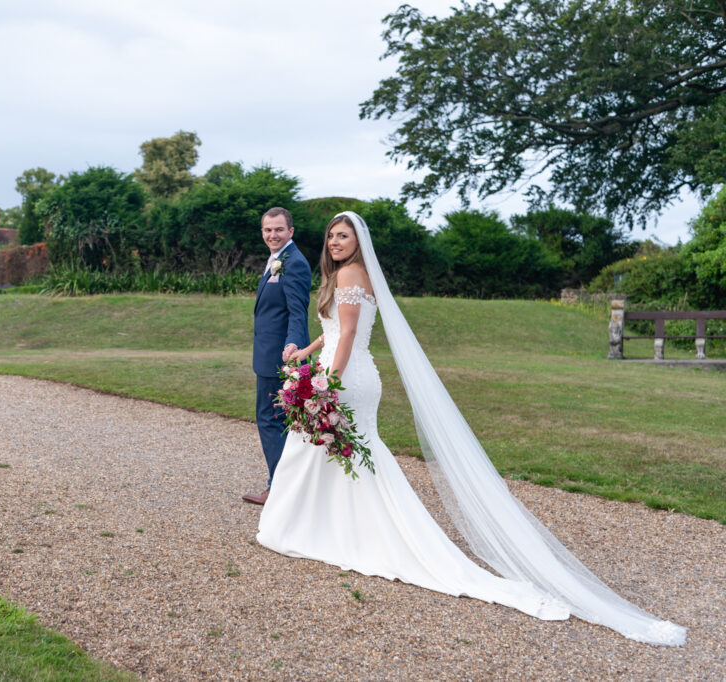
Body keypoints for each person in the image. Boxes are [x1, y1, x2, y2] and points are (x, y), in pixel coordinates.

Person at [256, 211, 686, 646]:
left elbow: (346, 337)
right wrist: (307, 353)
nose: (334, 242)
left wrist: (329, 382)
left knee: (325, 448)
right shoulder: (353, 274)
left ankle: (323, 528)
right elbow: (332, 333)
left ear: (357, 242)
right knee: (340, 452)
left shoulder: (350, 274)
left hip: (346, 376)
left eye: (342, 236)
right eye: (331, 236)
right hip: (348, 371)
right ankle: (335, 527)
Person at [244, 207, 312, 505]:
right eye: (267, 230)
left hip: (280, 358)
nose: (272, 235)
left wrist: (294, 345)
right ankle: (286, 486)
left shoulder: (293, 263)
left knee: (272, 420)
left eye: (278, 230)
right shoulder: (276, 260)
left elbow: (298, 312)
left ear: (291, 232)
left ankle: (279, 489)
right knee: (280, 422)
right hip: (268, 354)